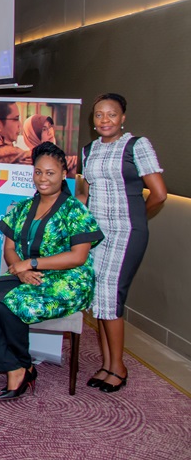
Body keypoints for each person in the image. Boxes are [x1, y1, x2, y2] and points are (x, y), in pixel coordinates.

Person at [0, 142, 103, 400]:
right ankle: (15, 363)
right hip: (30, 276)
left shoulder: (75, 210)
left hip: (69, 281)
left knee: (11, 302)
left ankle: (19, 367)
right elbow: (9, 249)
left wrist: (31, 264)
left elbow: (78, 256)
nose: (43, 178)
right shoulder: (23, 208)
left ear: (63, 174)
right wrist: (20, 271)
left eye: (50, 173)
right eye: (38, 172)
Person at [77, 93, 166, 393]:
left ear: (123, 117)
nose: (104, 120)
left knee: (111, 298)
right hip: (96, 234)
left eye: (111, 114)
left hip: (126, 232)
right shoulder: (88, 150)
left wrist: (136, 219)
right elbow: (84, 194)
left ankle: (119, 368)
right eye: (99, 115)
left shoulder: (136, 145)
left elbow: (159, 194)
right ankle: (106, 364)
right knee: (99, 299)